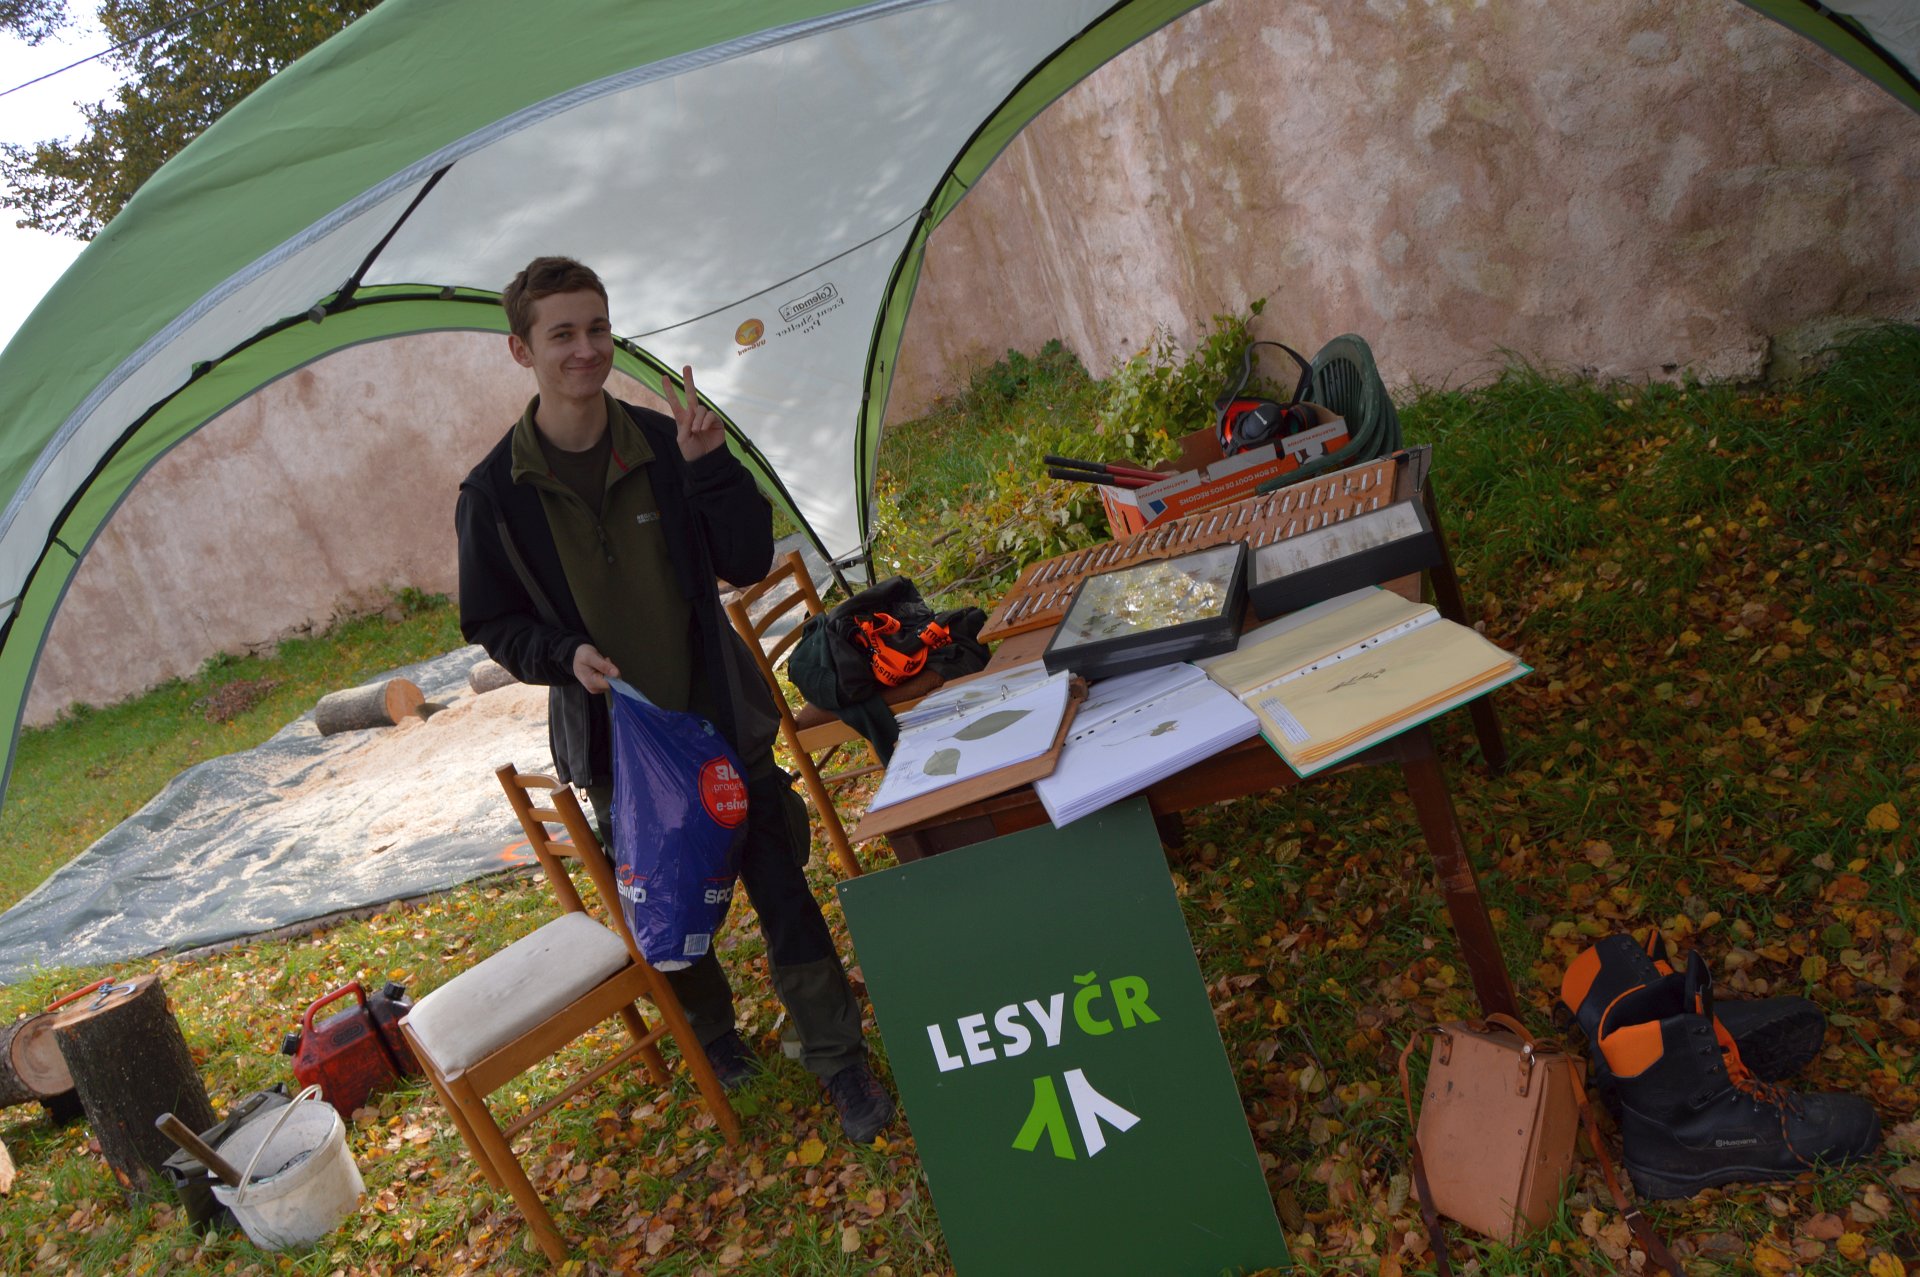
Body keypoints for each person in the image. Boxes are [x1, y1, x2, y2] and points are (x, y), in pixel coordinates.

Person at [454, 255, 894, 1144]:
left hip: (718, 717)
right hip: (620, 744)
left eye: (597, 328)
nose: (586, 349)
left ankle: (838, 1056)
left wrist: (709, 467)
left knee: (782, 886)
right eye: (562, 333)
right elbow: (491, 621)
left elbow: (745, 558)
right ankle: (716, 1038)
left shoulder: (665, 442)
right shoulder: (494, 494)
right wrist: (562, 653)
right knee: (668, 904)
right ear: (521, 350)